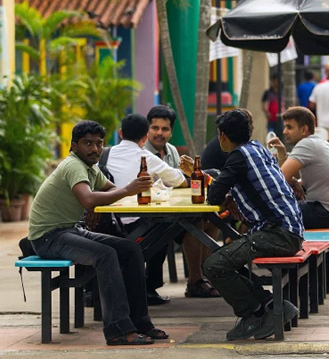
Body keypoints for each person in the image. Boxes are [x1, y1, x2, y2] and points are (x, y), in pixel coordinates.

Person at [28, 120, 168, 345]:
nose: (94, 149)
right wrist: (127, 190)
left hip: (69, 230)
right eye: (88, 144)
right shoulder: (73, 165)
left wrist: (125, 191)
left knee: (130, 248)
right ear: (74, 146)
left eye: (99, 144)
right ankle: (117, 330)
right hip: (48, 237)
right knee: (106, 254)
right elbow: (88, 198)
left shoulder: (91, 168)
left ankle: (141, 322)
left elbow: (110, 190)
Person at [198, 109, 303, 341]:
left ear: (222, 135)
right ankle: (269, 305)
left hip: (278, 234)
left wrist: (223, 193)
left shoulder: (237, 158)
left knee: (214, 265)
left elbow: (214, 195)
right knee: (225, 257)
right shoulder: (257, 148)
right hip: (289, 229)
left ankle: (252, 316)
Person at [105, 113, 189, 305]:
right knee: (165, 230)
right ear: (144, 138)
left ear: (120, 133)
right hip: (133, 222)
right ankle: (149, 287)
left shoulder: (105, 154)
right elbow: (179, 180)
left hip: (107, 221)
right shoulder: (146, 157)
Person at [144, 105, 219, 300]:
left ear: (171, 132)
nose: (159, 133)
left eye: (165, 129)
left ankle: (203, 278)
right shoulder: (141, 152)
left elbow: (181, 183)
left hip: (173, 210)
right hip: (148, 216)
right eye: (155, 128)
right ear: (147, 129)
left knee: (210, 222)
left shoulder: (171, 151)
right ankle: (195, 281)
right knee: (194, 223)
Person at [268, 106, 329, 228]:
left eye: (289, 127)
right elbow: (291, 176)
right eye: (285, 126)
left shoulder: (306, 144)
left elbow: (279, 179)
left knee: (271, 212)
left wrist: (292, 181)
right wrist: (282, 153)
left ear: (304, 129)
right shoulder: (317, 142)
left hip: (328, 213)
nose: (284, 131)